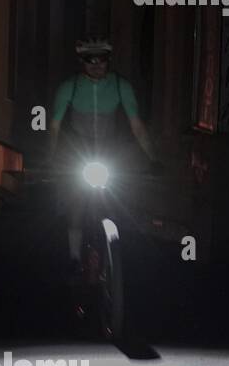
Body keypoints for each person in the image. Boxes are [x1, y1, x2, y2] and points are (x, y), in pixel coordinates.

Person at [48, 36, 159, 268]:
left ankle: (114, 252)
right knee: (76, 204)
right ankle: (74, 256)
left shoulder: (121, 86)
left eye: (102, 60)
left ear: (109, 61)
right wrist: (50, 159)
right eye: (90, 60)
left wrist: (153, 159)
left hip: (108, 151)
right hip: (79, 152)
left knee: (117, 200)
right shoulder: (70, 87)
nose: (96, 65)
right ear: (82, 62)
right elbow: (55, 127)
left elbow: (136, 124)